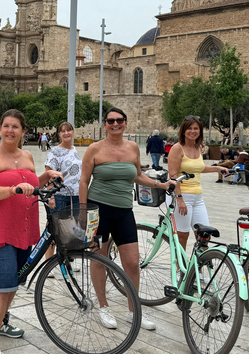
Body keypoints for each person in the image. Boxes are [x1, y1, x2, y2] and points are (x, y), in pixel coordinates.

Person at [0, 109, 61, 354]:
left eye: (15, 126)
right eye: (6, 126)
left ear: (24, 131)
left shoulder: (27, 156)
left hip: (23, 229)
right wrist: (12, 190)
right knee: (1, 288)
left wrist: (47, 176)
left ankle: (1, 323)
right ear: (0, 129)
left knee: (13, 283)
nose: (10, 130)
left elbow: (32, 184)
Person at [80, 107, 167, 331]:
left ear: (125, 123)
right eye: (111, 121)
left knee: (132, 262)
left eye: (119, 120)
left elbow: (137, 175)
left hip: (124, 211)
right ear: (105, 124)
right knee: (99, 259)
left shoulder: (132, 147)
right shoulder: (94, 149)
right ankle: (103, 306)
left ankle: (133, 310)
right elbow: (83, 181)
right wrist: (83, 210)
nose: (115, 124)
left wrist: (160, 184)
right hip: (98, 211)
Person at [167, 116, 228, 252]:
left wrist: (218, 168)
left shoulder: (198, 147)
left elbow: (198, 168)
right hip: (181, 196)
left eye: (196, 128)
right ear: (183, 130)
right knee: (183, 235)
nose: (193, 131)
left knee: (204, 236)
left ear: (200, 131)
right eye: (189, 128)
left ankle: (198, 269)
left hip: (197, 197)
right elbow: (173, 175)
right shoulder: (177, 148)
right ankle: (179, 269)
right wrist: (180, 199)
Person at [43, 121, 82, 265]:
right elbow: (48, 174)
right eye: (63, 131)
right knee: (56, 230)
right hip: (60, 196)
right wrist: (51, 196)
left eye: (69, 130)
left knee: (71, 230)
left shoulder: (74, 150)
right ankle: (49, 262)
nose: (66, 133)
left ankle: (68, 260)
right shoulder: (55, 152)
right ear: (59, 134)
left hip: (75, 196)